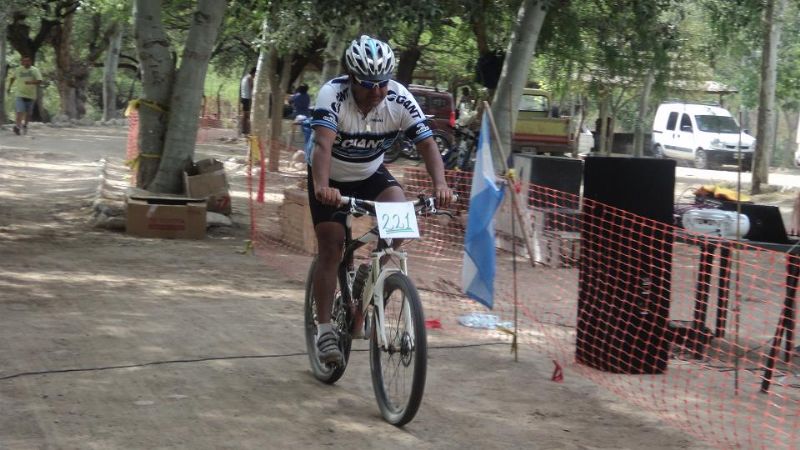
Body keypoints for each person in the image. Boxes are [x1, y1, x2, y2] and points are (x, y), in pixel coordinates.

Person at [307, 35, 453, 365]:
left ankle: (366, 277)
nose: (376, 92)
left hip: (370, 173)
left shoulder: (399, 99)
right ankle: (325, 328)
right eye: (368, 85)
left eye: (382, 84)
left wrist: (440, 184)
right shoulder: (332, 95)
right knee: (331, 246)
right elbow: (322, 148)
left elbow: (428, 144)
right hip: (330, 175)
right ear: (351, 78)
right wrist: (321, 187)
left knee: (401, 224)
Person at [7, 55, 43, 136]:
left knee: (28, 113)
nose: (26, 62)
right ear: (22, 62)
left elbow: (40, 80)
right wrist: (9, 87)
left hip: (31, 95)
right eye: (24, 61)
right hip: (20, 94)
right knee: (20, 111)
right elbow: (12, 78)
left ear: (30, 62)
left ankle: (25, 125)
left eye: (28, 61)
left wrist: (31, 82)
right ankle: (17, 127)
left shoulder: (34, 70)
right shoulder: (18, 69)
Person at [240, 67, 255, 135]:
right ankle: (247, 130)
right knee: (248, 115)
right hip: (247, 98)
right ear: (254, 73)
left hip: (243, 97)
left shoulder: (244, 77)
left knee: (245, 115)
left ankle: (244, 130)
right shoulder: (249, 78)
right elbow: (252, 88)